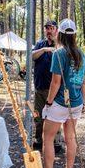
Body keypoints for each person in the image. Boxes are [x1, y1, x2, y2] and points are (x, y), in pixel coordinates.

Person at [42, 19, 85, 168]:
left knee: (48, 137)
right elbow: (83, 82)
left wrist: (48, 103)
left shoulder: (59, 54)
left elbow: (55, 83)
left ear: (59, 34)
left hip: (60, 102)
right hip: (76, 102)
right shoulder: (81, 54)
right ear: (74, 35)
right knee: (70, 138)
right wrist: (84, 103)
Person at [32, 20, 62, 152]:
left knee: (54, 116)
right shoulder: (40, 44)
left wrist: (55, 50)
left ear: (56, 30)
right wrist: (44, 50)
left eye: (51, 28)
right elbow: (32, 56)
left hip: (55, 89)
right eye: (47, 28)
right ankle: (39, 140)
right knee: (38, 116)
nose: (49, 31)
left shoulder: (60, 45)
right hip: (40, 87)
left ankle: (56, 142)